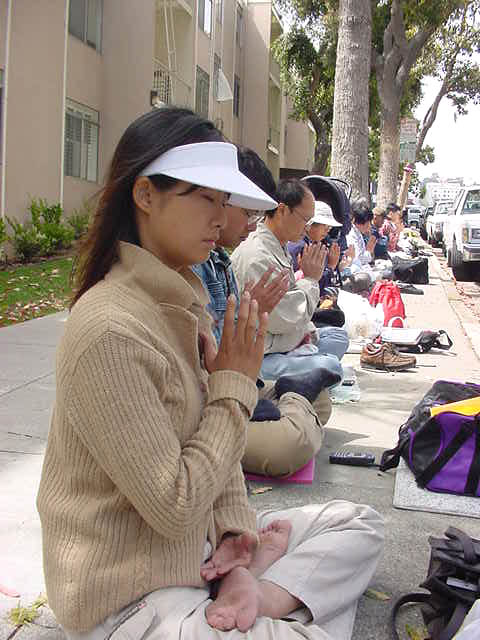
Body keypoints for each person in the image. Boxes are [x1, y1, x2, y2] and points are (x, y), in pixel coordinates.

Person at [37, 107, 384, 640]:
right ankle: (277, 607)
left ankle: (261, 598)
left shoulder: (182, 301)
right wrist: (235, 386)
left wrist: (237, 542)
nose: (222, 219)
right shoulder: (110, 330)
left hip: (200, 558)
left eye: (226, 202)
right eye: (206, 199)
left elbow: (215, 454)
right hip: (135, 597)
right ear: (145, 194)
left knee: (359, 522)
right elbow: (176, 505)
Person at [193, 147, 332, 477]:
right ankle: (294, 403)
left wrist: (248, 319)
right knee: (289, 443)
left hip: (239, 382)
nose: (252, 225)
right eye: (247, 212)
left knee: (323, 398)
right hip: (214, 400)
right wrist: (310, 282)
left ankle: (293, 403)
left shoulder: (218, 260)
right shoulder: (247, 255)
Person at [231, 179, 349, 381]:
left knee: (338, 337)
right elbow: (286, 320)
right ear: (282, 210)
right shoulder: (257, 256)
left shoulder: (278, 245)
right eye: (305, 220)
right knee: (331, 366)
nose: (307, 228)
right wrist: (311, 279)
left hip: (287, 341)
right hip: (262, 355)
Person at [287, 201, 344, 294]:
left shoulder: (313, 244)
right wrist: (331, 266)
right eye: (325, 226)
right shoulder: (300, 247)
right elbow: (312, 283)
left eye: (329, 227)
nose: (327, 230)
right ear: (310, 225)